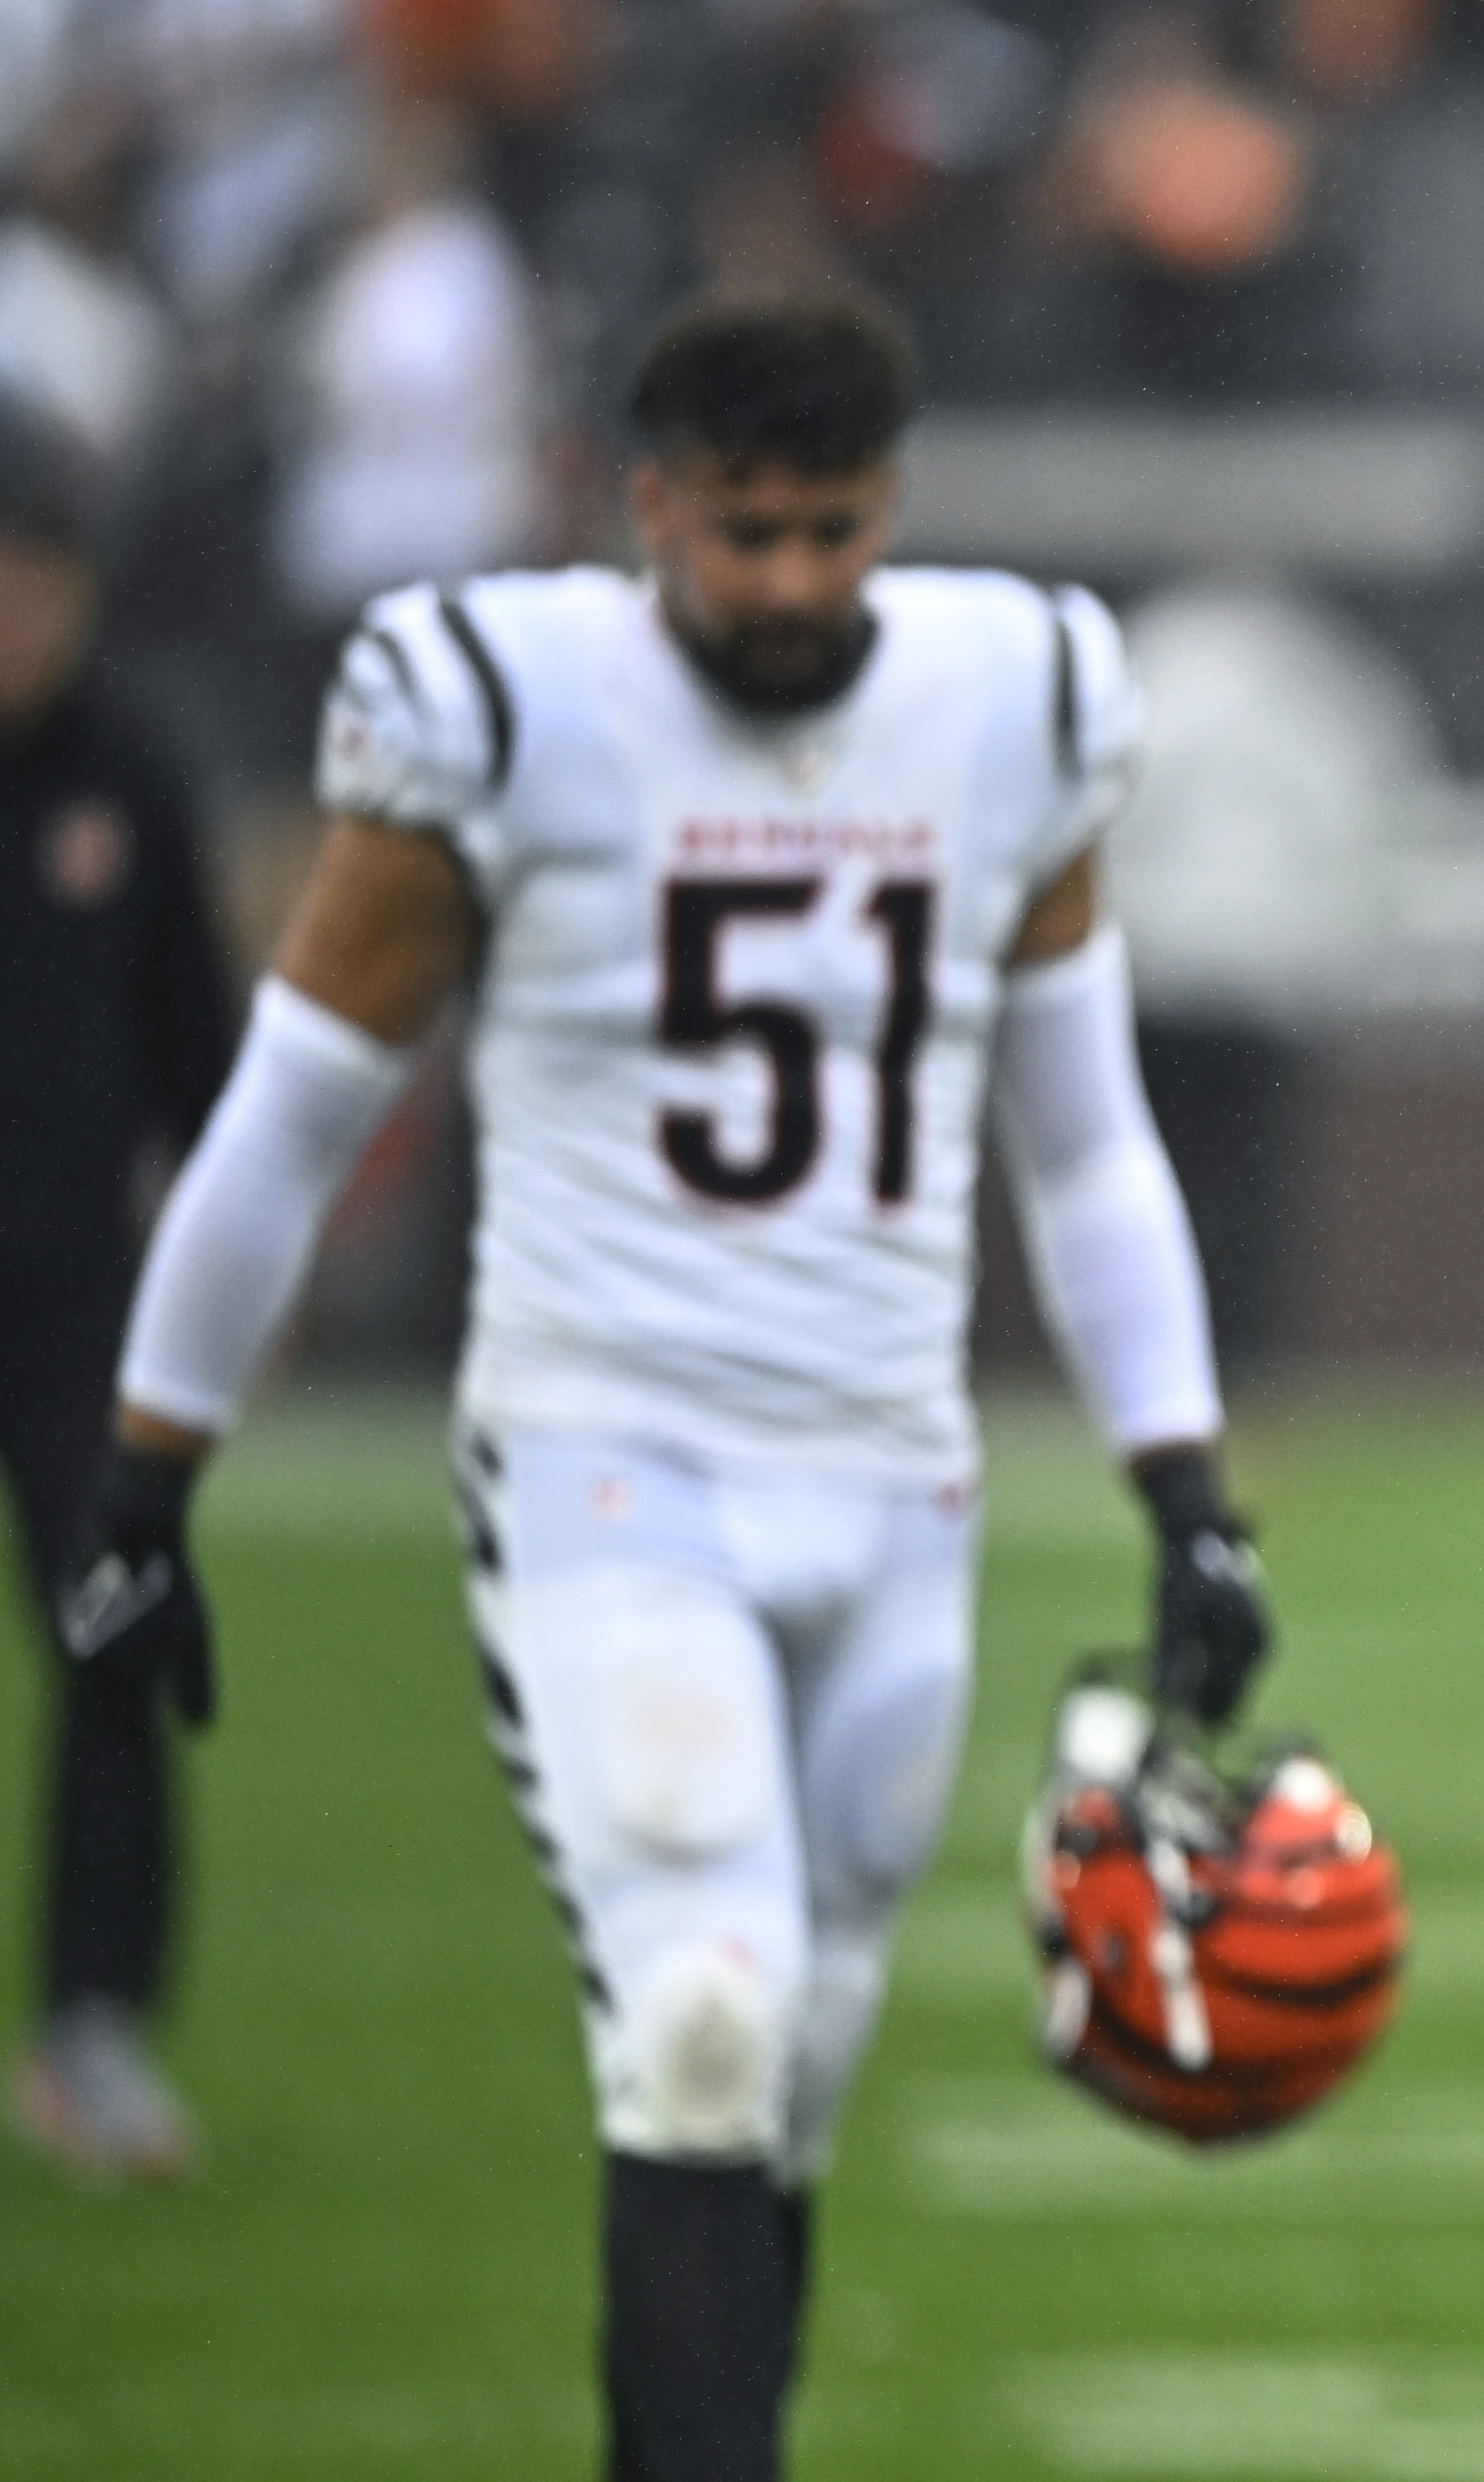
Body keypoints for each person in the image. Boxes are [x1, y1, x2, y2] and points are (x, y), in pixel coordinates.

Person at [53, 295, 1273, 2481]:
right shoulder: (511, 707)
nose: (793, 583)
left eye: (832, 533)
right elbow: (287, 1122)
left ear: (890, 514)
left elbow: (1083, 1143)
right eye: (747, 536)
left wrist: (1186, 1490)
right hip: (610, 1461)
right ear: (648, 511)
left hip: (896, 1480)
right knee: (700, 2022)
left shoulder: (1015, 700)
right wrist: (150, 1488)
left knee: (789, 2072)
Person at [0, 400, 236, 2182]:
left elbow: (210, 1064)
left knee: (112, 1633)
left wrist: (222, 1291)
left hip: (78, 1298)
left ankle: (93, 2031)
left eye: (37, 574)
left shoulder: (130, 775)